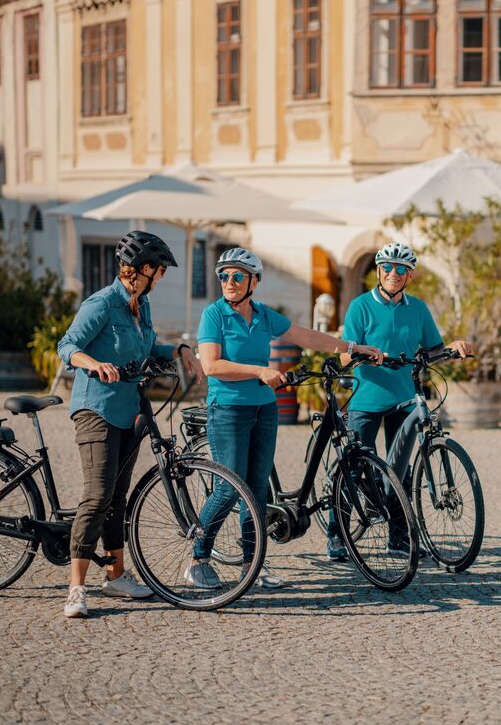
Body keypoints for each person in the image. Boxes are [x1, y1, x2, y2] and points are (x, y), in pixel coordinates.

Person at [187, 247, 383, 590]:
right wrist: (259, 371)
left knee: (257, 490)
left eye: (237, 276)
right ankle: (198, 558)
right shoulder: (213, 315)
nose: (229, 282)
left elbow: (306, 336)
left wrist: (353, 348)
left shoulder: (264, 316)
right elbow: (211, 365)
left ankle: (253, 563)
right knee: (229, 489)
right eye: (223, 276)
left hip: (264, 409)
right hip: (229, 409)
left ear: (253, 282)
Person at [57, 230, 203, 619]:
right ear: (142, 270)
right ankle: (76, 588)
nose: (163, 277)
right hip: (96, 410)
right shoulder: (101, 304)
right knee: (98, 493)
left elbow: (145, 347)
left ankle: (116, 575)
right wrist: (94, 363)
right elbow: (67, 347)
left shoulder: (142, 306)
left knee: (119, 498)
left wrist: (179, 348)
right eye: (160, 270)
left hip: (129, 411)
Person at [333, 242, 473, 560]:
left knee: (401, 471)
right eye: (387, 268)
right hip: (366, 398)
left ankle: (398, 539)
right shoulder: (360, 306)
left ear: (409, 275)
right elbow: (345, 353)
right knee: (353, 469)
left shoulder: (418, 308)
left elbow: (433, 349)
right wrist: (359, 354)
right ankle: (337, 535)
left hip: (405, 398)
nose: (393, 274)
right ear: (378, 272)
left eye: (400, 269)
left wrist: (453, 346)